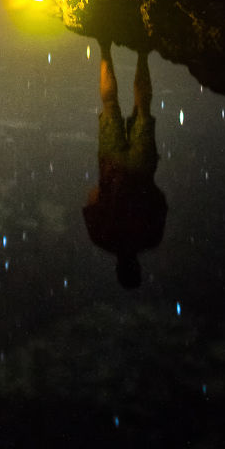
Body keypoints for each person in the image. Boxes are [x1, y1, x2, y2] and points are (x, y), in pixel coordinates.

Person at [82, 42, 167, 289]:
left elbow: (160, 201)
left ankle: (142, 53)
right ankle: (105, 47)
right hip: (112, 166)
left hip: (142, 169)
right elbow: (92, 198)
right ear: (118, 267)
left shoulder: (151, 238)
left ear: (137, 268)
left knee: (143, 109)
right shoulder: (102, 237)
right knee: (110, 104)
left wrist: (142, 188)